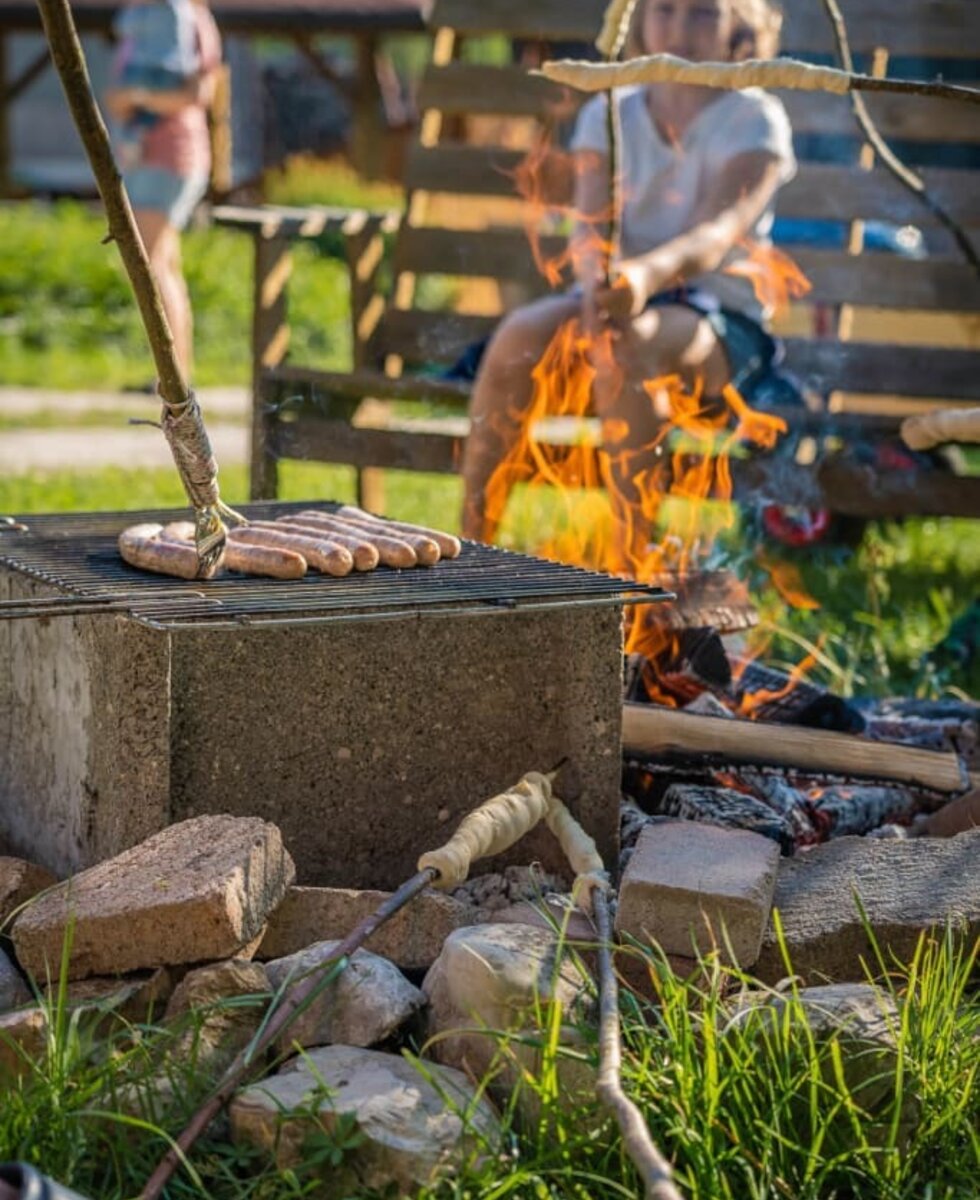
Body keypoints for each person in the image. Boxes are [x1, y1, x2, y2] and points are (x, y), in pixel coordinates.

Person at [460, 0, 797, 552]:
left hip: (715, 322)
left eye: (703, 13)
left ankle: (629, 562)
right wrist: (597, 279)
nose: (681, 28)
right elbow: (589, 223)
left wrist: (641, 277)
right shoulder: (610, 112)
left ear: (738, 25)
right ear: (637, 19)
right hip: (615, 298)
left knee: (628, 344)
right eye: (664, 9)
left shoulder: (754, 119)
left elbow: (716, 234)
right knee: (519, 334)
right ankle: (469, 545)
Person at [104, 0, 222, 384]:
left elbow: (196, 92)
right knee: (165, 266)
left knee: (152, 266)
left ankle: (172, 376)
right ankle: (173, 374)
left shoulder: (188, 18)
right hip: (146, 154)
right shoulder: (148, 18)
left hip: (170, 155)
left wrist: (138, 98)